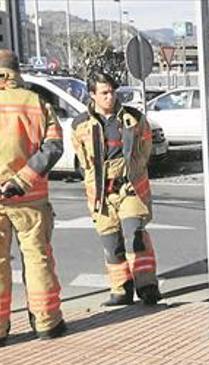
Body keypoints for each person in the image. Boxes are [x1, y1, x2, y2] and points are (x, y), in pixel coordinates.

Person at [71, 72, 161, 306]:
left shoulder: (133, 118)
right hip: (102, 195)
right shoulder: (80, 124)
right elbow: (82, 160)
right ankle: (121, 289)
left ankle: (148, 286)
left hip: (129, 188)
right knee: (112, 244)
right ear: (93, 95)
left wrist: (135, 169)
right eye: (104, 93)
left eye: (112, 92)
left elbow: (145, 147)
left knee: (136, 237)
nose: (110, 97)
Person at [0, 50, 66, 342]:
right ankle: (47, 322)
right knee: (38, 259)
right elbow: (53, 147)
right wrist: (21, 181)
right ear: (17, 72)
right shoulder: (37, 103)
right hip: (30, 199)